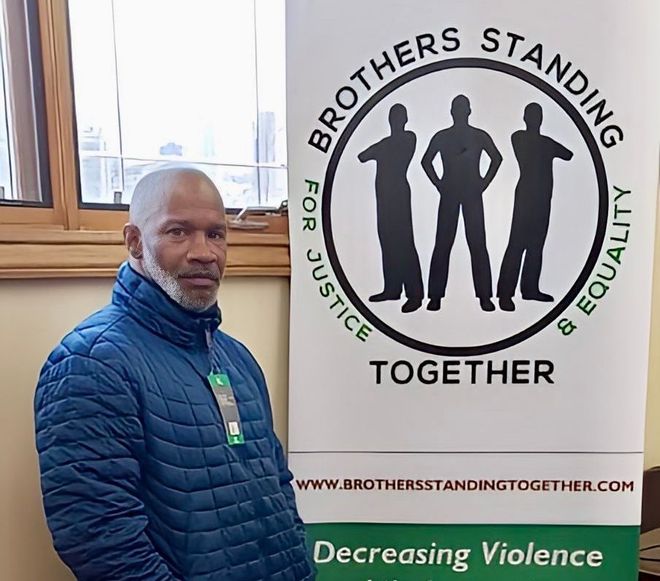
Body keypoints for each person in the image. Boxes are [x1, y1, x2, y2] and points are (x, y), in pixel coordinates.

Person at [34, 168, 314, 580]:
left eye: (216, 234)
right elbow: (99, 538)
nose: (204, 252)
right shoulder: (90, 364)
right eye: (178, 232)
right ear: (134, 241)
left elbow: (276, 486)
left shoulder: (235, 358)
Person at [421, 94, 502, 312]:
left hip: (470, 193)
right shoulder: (444, 136)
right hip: (452, 192)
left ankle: (484, 296)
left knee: (476, 244)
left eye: (461, 108)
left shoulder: (477, 136)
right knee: (444, 243)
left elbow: (497, 158)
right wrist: (439, 184)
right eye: (458, 108)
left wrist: (483, 184)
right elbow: (426, 161)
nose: (460, 112)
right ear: (459, 111)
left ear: (466, 111)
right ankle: (435, 296)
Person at [497, 102, 573, 311]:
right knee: (517, 244)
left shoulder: (541, 142)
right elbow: (565, 153)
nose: (534, 119)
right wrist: (548, 145)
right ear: (527, 119)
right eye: (533, 115)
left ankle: (530, 289)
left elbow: (569, 155)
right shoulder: (520, 138)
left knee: (536, 246)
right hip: (526, 198)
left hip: (541, 199)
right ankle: (505, 294)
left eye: (536, 116)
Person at [358, 103, 424, 313]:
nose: (395, 121)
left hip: (399, 196)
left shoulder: (407, 138)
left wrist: (379, 149)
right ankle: (392, 288)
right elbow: (362, 156)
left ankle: (414, 293)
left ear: (404, 120)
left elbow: (372, 152)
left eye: (398, 117)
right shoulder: (386, 143)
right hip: (384, 198)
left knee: (404, 242)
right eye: (393, 117)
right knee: (386, 240)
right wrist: (379, 149)